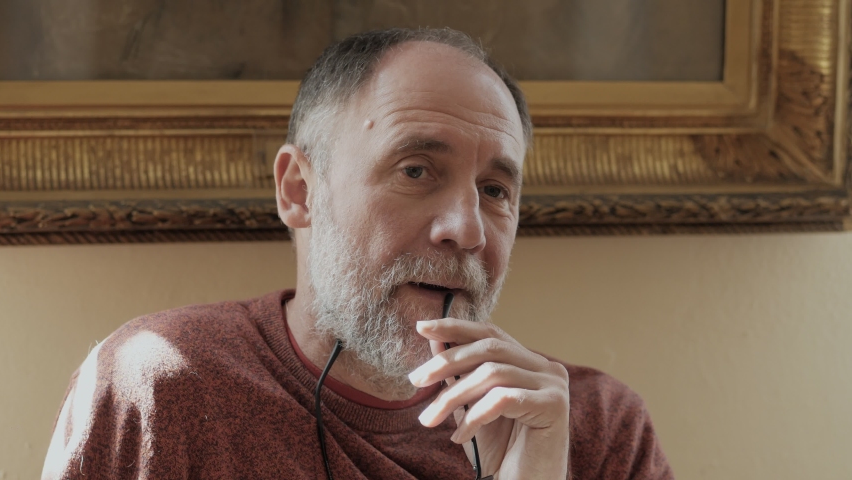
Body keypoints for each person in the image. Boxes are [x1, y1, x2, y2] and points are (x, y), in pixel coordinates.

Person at [42, 28, 673, 479]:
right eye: (417, 170)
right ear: (299, 191)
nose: (467, 229)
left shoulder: (597, 430)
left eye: (495, 190)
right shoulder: (160, 391)